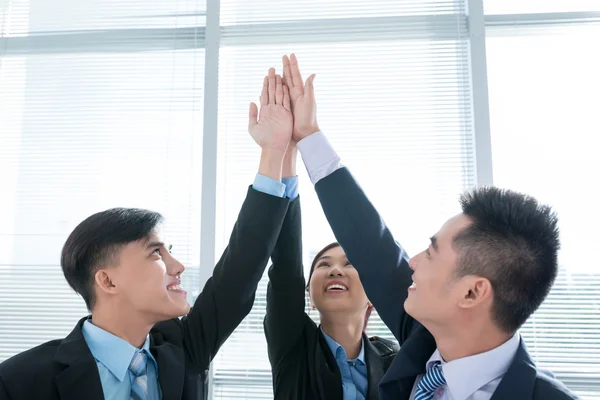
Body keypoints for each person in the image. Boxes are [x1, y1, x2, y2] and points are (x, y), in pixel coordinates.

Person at [279, 53, 577, 400]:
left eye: (432, 254)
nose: (413, 261)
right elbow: (371, 245)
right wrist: (308, 136)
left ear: (472, 292)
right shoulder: (423, 344)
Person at [0, 68, 296, 400]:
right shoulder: (19, 382)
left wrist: (274, 153)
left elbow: (240, 273)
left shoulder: (182, 350)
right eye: (156, 253)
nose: (178, 265)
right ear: (108, 281)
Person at [260, 76, 399, 398]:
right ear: (308, 293)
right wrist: (287, 150)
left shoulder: (396, 357)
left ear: (374, 297)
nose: (335, 269)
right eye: (323, 264)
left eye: (350, 263)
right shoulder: (292, 344)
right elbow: (285, 269)